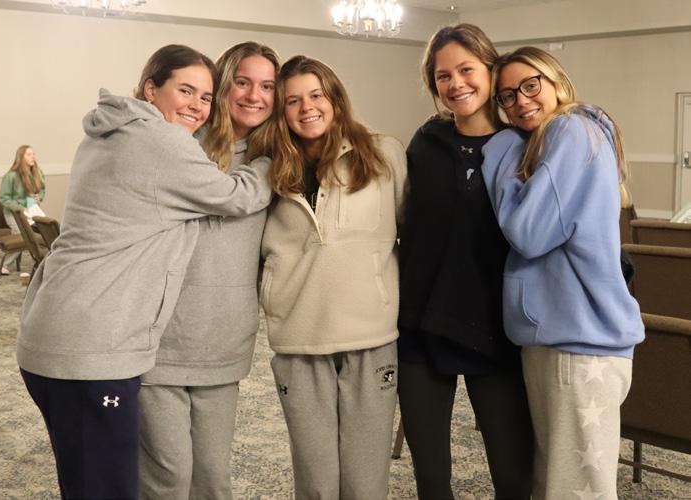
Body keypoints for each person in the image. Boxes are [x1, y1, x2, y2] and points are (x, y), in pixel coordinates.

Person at [16, 44, 273, 500]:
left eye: (205, 96)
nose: (197, 105)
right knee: (109, 486)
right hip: (93, 344)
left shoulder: (115, 130)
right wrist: (271, 162)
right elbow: (236, 196)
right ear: (151, 89)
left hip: (63, 331)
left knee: (90, 481)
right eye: (185, 90)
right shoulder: (161, 141)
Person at [482, 46, 645, 499]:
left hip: (580, 343)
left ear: (556, 81)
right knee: (559, 480)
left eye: (530, 85)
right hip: (565, 336)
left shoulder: (570, 129)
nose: (520, 101)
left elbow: (529, 232)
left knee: (577, 490)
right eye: (508, 95)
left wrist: (501, 149)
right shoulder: (560, 135)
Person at [396, 24, 534, 499]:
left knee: (513, 476)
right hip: (420, 323)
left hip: (495, 328)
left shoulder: (523, 144)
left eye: (466, 70)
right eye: (443, 76)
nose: (455, 83)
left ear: (492, 71)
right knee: (431, 480)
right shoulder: (425, 141)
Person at [260, 55, 407, 499]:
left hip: (371, 336)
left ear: (335, 99)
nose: (307, 107)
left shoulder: (384, 153)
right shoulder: (267, 167)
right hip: (299, 338)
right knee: (316, 478)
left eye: (316, 95)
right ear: (281, 110)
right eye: (293, 100)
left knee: (366, 479)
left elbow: (413, 234)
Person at [138, 41, 279, 499]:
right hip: (160, 340)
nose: (254, 95)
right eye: (242, 82)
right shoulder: (177, 141)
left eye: (267, 86)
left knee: (213, 478)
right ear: (222, 86)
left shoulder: (277, 158)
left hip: (225, 339)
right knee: (168, 477)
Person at [0, 145, 45, 274]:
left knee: (46, 230)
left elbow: (42, 190)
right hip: (14, 213)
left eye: (33, 154)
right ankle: (4, 264)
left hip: (31, 210)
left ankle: (44, 261)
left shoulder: (38, 173)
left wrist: (38, 197)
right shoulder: (10, 176)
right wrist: (20, 208)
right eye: (29, 154)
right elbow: (4, 198)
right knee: (22, 234)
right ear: (21, 157)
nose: (33, 157)